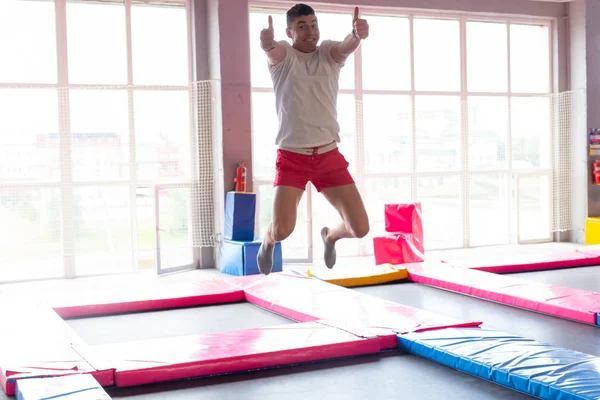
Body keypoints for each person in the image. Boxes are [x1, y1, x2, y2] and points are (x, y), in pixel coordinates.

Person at [256, 3, 370, 275]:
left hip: (328, 155)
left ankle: (330, 236)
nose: (310, 32)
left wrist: (356, 35)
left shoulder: (328, 54)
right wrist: (267, 45)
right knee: (283, 230)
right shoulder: (284, 57)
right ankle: (268, 241)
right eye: (302, 27)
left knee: (360, 229)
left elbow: (344, 47)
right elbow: (275, 52)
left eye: (314, 24)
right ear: (290, 31)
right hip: (292, 156)